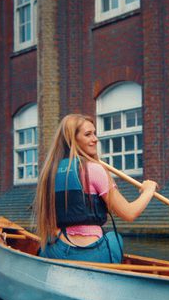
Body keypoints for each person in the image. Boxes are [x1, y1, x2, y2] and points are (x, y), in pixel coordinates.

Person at [34, 113, 158, 264]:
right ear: (72, 139)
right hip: (91, 255)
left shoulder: (49, 172)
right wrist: (148, 190)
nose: (95, 139)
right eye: (88, 134)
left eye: (94, 133)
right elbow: (129, 213)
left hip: (56, 252)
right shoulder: (93, 169)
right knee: (114, 239)